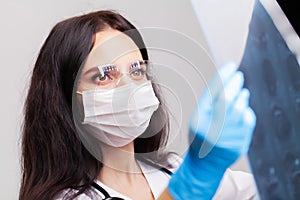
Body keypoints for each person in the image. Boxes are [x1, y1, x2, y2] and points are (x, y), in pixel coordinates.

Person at [19, 10, 258, 200]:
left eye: (136, 71)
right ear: (65, 99)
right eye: (103, 76)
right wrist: (194, 181)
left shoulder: (170, 168)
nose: (130, 89)